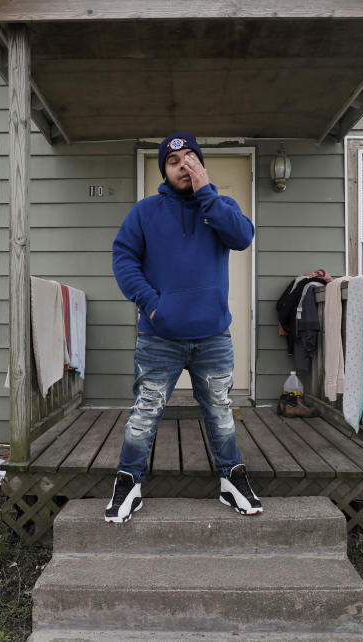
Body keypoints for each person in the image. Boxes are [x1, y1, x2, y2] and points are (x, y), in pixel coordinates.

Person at [105, 132, 262, 523]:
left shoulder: (220, 206)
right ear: (165, 170)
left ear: (202, 165)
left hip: (212, 337)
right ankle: (129, 481)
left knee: (221, 410)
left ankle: (231, 479)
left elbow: (242, 237)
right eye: (174, 162)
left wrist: (207, 191)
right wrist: (151, 305)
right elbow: (124, 258)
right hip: (160, 337)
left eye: (190, 158)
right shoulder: (144, 212)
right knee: (145, 412)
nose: (183, 166)